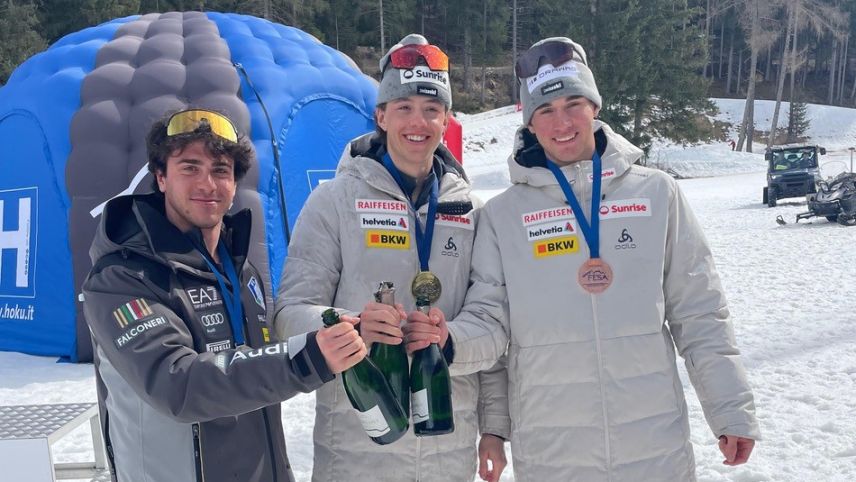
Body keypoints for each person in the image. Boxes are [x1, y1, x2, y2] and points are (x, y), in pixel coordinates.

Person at [406, 37, 761, 481]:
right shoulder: (502, 215)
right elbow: (492, 323)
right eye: (546, 111)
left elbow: (700, 312)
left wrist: (730, 412)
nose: (563, 122)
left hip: (653, 447)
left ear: (595, 106)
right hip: (552, 451)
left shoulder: (657, 194)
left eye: (573, 103)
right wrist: (452, 342)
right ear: (529, 123)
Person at [82, 108, 366, 482]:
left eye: (220, 170)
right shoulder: (122, 277)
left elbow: (255, 374)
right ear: (161, 178)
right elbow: (176, 383)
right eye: (189, 167)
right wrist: (304, 360)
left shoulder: (239, 269)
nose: (207, 184)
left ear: (234, 185)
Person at [275, 34, 508, 482]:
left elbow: (495, 323)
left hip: (448, 451)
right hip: (358, 451)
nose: (417, 122)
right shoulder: (333, 201)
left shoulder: (472, 211)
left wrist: (451, 341)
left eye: (431, 109)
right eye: (403, 108)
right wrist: (349, 326)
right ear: (381, 116)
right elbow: (290, 314)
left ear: (446, 120)